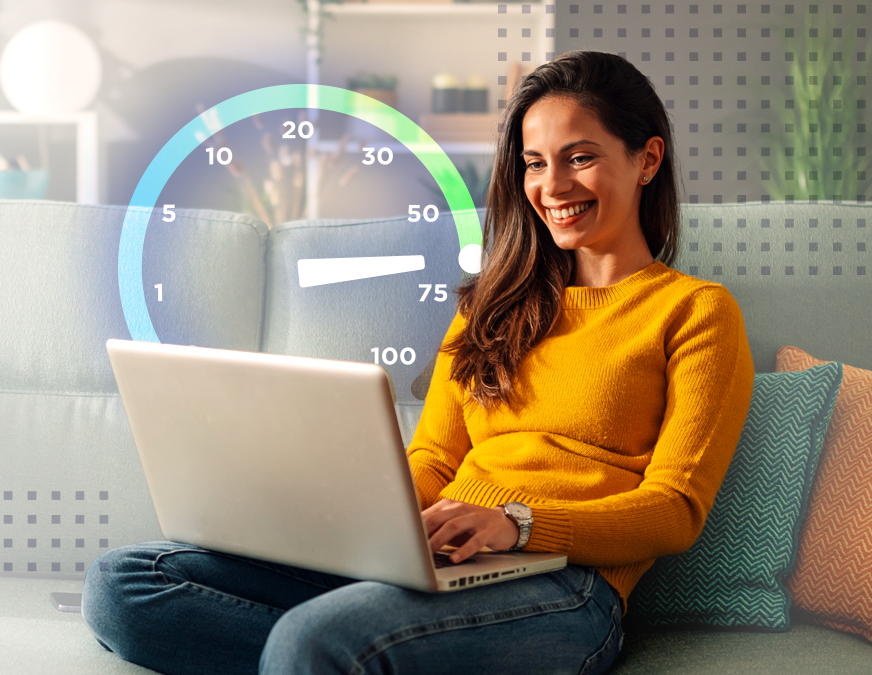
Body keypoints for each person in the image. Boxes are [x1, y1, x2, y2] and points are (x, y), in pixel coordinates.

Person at [80, 50, 755, 675]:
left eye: (579, 157)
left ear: (647, 158)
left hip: (567, 587)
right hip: (431, 558)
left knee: (315, 639)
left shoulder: (695, 311)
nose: (552, 186)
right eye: (534, 162)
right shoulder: (491, 305)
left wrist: (517, 523)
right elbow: (433, 458)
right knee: (125, 583)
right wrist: (354, 522)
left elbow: (673, 511)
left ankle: (332, 652)